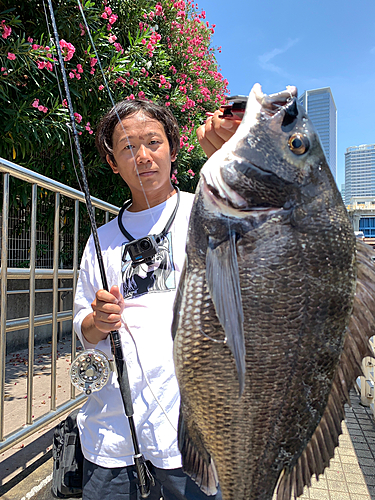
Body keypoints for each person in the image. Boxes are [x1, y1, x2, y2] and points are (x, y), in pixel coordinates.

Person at [73, 98, 240, 500]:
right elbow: (83, 329)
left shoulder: (211, 211)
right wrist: (97, 320)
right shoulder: (102, 240)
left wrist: (232, 154)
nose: (143, 156)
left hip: (196, 437)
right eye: (128, 147)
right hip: (111, 436)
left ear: (173, 148)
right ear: (113, 162)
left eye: (153, 142)